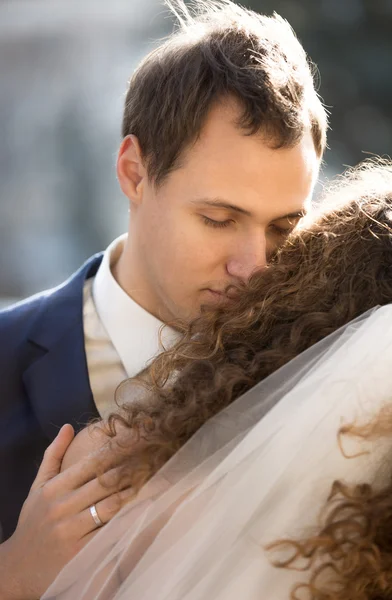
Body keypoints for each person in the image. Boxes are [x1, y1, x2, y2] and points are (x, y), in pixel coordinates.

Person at [0, 0, 327, 596]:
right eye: (219, 218)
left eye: (281, 227)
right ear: (133, 173)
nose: (253, 267)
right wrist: (13, 574)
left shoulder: (325, 377)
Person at [41, 159, 392, 599]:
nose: (254, 267)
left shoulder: (112, 469)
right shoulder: (377, 550)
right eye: (218, 220)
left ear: (302, 296)